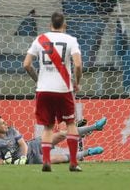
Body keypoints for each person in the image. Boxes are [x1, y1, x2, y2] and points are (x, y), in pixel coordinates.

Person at [23, 12, 83, 172]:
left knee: (48, 127)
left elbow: (27, 64)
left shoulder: (39, 39)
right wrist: (77, 83)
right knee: (70, 124)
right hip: (64, 89)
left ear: (50, 24)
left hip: (43, 89)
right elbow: (77, 65)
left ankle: (47, 161)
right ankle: (73, 162)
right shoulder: (71, 40)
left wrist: (38, 80)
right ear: (64, 25)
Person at [0, 115, 107, 165]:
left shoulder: (12, 130)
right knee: (59, 158)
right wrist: (11, 163)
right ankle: (89, 152)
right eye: (3, 124)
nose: (6, 125)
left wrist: (22, 158)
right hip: (33, 160)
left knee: (61, 134)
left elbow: (23, 145)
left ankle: (95, 127)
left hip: (33, 145)